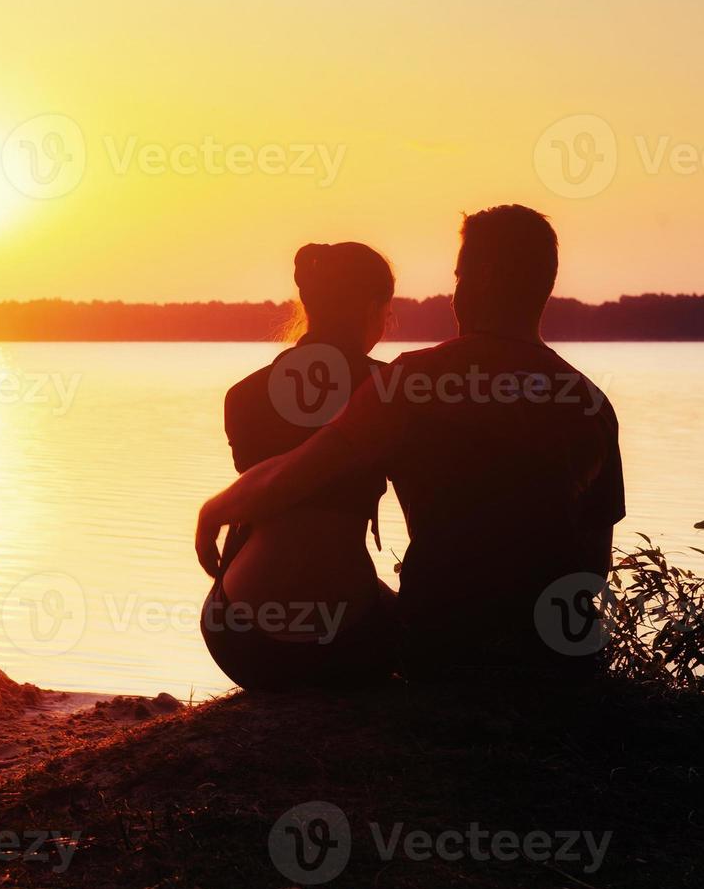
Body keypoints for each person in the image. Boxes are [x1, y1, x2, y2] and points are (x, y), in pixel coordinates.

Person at [197, 206, 625, 675]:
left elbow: (295, 474)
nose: (454, 291)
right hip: (546, 656)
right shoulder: (590, 404)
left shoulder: (414, 383)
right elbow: (593, 561)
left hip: (439, 646)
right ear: (544, 286)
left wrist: (214, 509)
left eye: (460, 275)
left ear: (477, 280)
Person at [202, 242, 400, 691]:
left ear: (307, 302)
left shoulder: (243, 396)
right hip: (348, 641)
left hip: (241, 637)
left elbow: (267, 498)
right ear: (373, 306)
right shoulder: (392, 391)